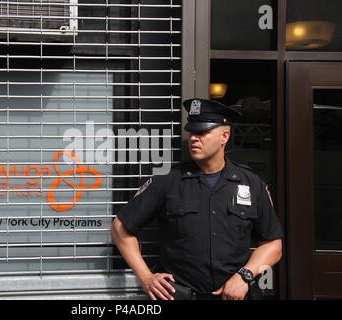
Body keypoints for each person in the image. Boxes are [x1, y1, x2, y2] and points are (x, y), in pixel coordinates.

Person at [111, 98, 283, 300]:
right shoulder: (168, 180)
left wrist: (244, 276)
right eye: (192, 132)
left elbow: (273, 244)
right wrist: (146, 276)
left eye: (202, 132)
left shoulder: (251, 183)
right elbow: (120, 228)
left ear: (224, 136)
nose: (193, 138)